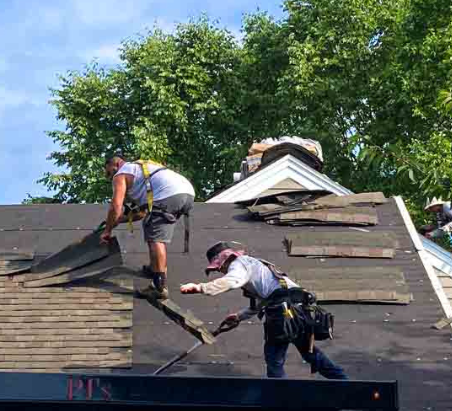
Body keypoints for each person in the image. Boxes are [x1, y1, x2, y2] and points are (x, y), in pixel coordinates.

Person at [179, 241, 347, 380]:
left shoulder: (239, 264)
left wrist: (198, 287)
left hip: (285, 311)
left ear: (224, 260)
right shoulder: (256, 265)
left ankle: (279, 398)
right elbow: (266, 299)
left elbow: (232, 281)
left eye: (218, 268)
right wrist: (239, 316)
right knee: (308, 352)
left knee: (274, 357)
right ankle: (342, 382)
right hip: (300, 309)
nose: (220, 271)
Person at [100, 155, 195, 299]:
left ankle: (159, 286)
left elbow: (116, 206)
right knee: (151, 225)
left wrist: (107, 230)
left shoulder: (121, 173)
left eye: (109, 172)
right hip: (186, 193)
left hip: (168, 195)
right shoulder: (140, 171)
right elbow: (142, 213)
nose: (109, 177)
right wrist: (119, 220)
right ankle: (154, 269)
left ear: (117, 163)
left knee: (155, 239)